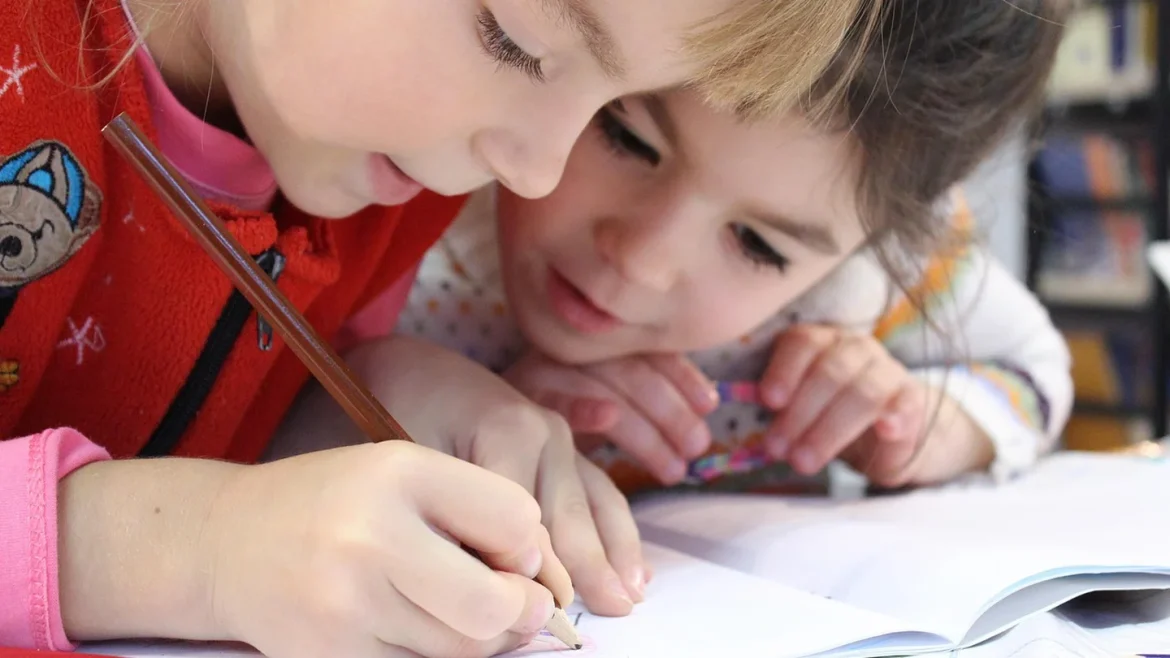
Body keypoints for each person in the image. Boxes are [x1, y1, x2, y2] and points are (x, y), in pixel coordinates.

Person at [0, 0, 887, 656]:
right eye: (516, 41)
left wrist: (368, 395)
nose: (536, 174)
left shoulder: (385, 181)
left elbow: (207, 433)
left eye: (607, 105)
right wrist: (197, 550)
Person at [388, 0, 1074, 497]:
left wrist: (927, 425)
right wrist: (448, 414)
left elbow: (1035, 372)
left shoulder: (871, 281)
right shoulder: (411, 191)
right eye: (626, 139)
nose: (641, 260)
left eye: (757, 245)